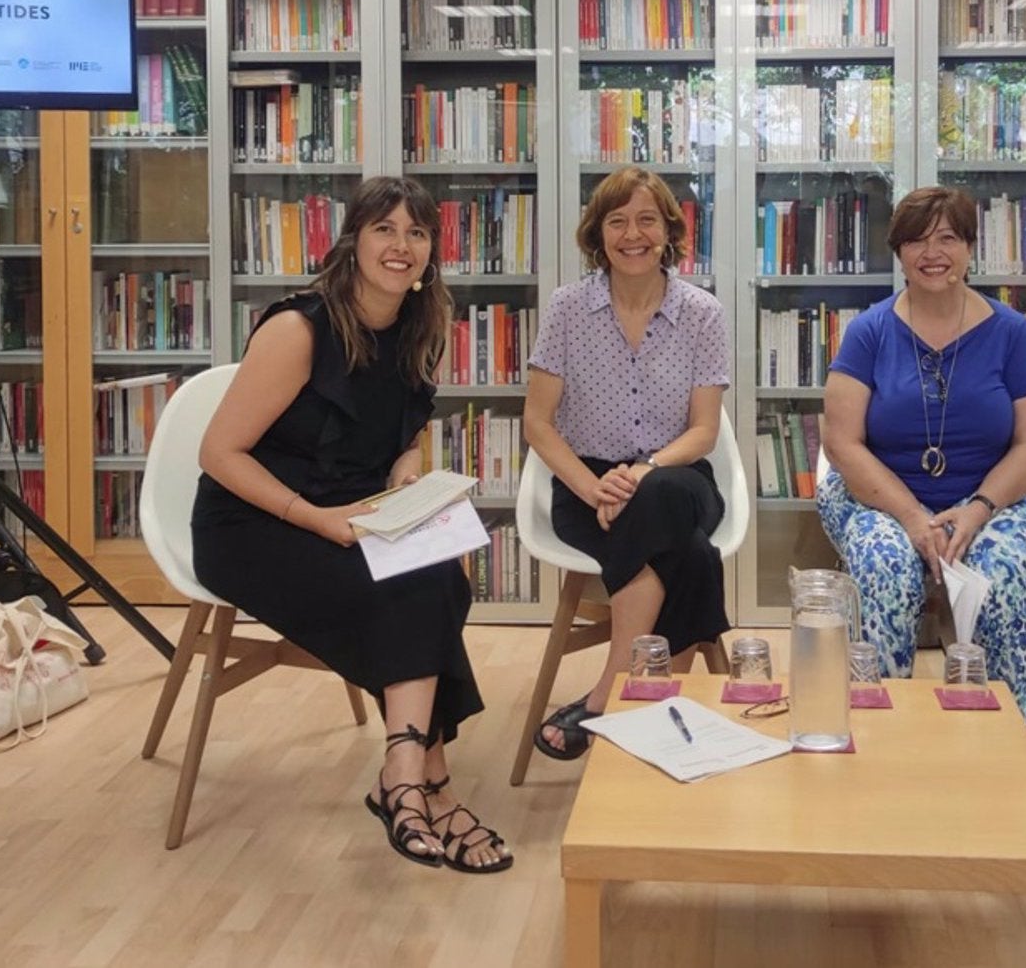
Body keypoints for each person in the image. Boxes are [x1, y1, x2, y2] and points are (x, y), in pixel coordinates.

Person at [189, 176, 512, 875]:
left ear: (431, 251)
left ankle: (404, 779)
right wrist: (319, 520)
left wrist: (405, 481)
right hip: (253, 522)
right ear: (354, 241)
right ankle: (427, 783)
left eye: (417, 233)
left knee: (441, 577)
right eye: (385, 230)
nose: (401, 246)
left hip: (351, 515)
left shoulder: (418, 330)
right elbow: (218, 454)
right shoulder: (298, 328)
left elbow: (399, 438)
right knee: (414, 592)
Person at [816, 185, 1026, 730]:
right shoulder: (869, 332)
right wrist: (911, 519)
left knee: (1004, 573)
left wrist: (976, 510)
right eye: (917, 240)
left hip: (995, 498)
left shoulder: (1012, 332)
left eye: (948, 238)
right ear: (898, 251)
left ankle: (1008, 745)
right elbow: (842, 444)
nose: (933, 253)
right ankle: (879, 733)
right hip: (880, 499)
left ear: (971, 247)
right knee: (886, 570)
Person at [525, 166, 731, 760]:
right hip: (588, 487)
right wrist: (594, 489)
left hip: (679, 476)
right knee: (691, 553)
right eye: (617, 221)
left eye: (647, 220)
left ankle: (606, 695)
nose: (632, 234)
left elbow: (704, 431)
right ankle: (654, 698)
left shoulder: (702, 312)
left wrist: (643, 470)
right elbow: (538, 422)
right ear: (598, 233)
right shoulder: (568, 308)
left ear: (669, 231)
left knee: (662, 496)